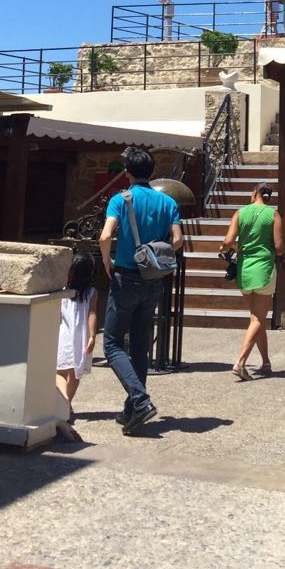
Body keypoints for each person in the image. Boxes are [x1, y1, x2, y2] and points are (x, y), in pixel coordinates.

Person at [99, 145, 183, 434]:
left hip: (125, 275)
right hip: (153, 278)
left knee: (112, 344)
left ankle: (140, 400)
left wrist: (107, 263)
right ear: (152, 171)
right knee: (140, 344)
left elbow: (105, 235)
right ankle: (131, 410)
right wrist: (155, 255)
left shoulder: (120, 199)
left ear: (127, 173)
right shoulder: (167, 202)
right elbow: (177, 240)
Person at [220, 185, 285, 380]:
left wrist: (228, 247)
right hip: (263, 268)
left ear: (254, 193)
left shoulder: (240, 213)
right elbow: (280, 248)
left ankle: (266, 362)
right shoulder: (273, 215)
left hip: (244, 270)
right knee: (258, 318)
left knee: (256, 318)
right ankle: (240, 362)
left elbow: (228, 240)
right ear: (268, 197)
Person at [56, 253, 98, 422]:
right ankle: (66, 402)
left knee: (58, 371)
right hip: (81, 336)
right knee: (75, 374)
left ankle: (63, 402)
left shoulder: (62, 291)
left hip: (62, 335)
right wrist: (92, 336)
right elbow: (92, 313)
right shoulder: (91, 292)